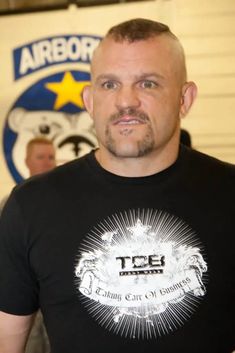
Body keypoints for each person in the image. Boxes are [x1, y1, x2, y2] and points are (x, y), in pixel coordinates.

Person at [0, 18, 234, 353]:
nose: (126, 102)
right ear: (90, 100)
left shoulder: (229, 194)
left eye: (148, 84)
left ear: (185, 99)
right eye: (109, 85)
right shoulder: (29, 206)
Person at [0, 137, 55, 353]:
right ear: (27, 161)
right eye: (40, 157)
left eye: (51, 157)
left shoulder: (67, 205)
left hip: (56, 302)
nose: (46, 162)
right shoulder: (11, 207)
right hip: (21, 305)